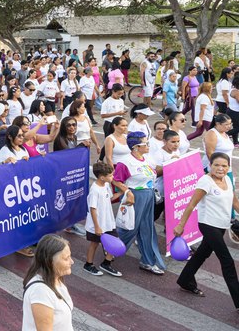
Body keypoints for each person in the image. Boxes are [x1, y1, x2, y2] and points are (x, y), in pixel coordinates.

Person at [174, 152, 239, 308]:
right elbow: (191, 204)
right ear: (210, 165)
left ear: (228, 167)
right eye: (216, 165)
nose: (220, 168)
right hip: (208, 225)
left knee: (203, 253)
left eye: (224, 165)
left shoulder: (228, 180)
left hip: (222, 225)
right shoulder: (205, 181)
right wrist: (181, 225)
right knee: (227, 261)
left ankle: (184, 280)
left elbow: (234, 201)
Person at [112, 132, 165, 275]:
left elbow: (157, 170)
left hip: (148, 196)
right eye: (145, 143)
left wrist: (172, 163)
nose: (148, 146)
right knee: (130, 228)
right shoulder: (125, 162)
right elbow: (116, 180)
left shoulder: (147, 158)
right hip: (134, 197)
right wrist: (127, 191)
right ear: (136, 147)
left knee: (147, 228)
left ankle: (148, 261)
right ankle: (111, 251)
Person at [83, 161, 128, 277]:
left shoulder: (106, 185)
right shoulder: (95, 190)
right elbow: (93, 209)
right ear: (102, 177)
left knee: (114, 240)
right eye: (110, 175)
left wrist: (122, 192)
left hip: (108, 222)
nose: (113, 177)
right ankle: (88, 264)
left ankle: (106, 263)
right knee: (94, 244)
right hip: (97, 224)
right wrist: (97, 226)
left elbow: (110, 198)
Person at [22, 234, 74, 331]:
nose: (71, 262)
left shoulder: (55, 278)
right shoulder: (41, 292)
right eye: (66, 258)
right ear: (50, 262)